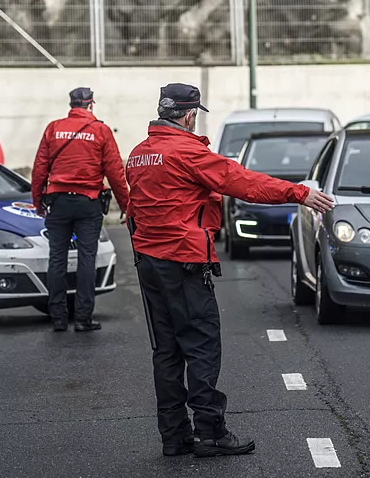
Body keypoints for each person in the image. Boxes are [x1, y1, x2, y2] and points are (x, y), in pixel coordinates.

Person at [125, 83, 335, 458]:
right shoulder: (189, 152)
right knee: (201, 347)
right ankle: (211, 432)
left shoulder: (139, 154)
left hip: (149, 264)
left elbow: (136, 210)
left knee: (166, 351)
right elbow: (245, 184)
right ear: (190, 115)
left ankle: (174, 437)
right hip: (184, 262)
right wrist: (299, 193)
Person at [31, 87, 129, 332]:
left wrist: (37, 202)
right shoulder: (101, 131)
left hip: (58, 202)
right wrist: (127, 206)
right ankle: (83, 318)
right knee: (87, 258)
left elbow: (40, 168)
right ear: (91, 104)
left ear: (72, 104)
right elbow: (115, 172)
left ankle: (59, 318)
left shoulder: (54, 128)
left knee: (57, 259)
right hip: (88, 202)